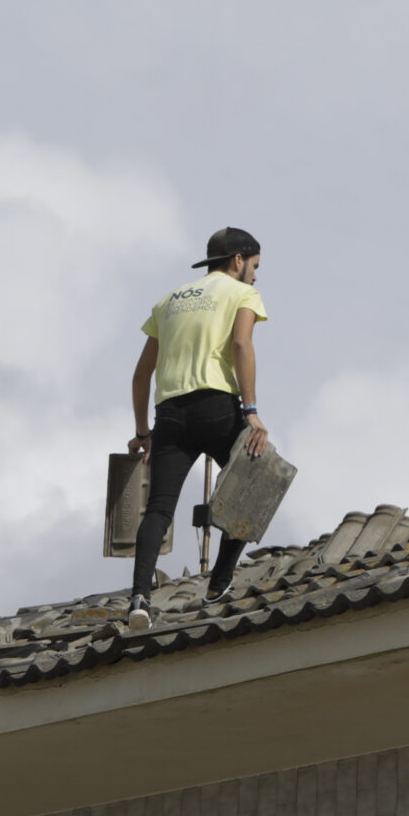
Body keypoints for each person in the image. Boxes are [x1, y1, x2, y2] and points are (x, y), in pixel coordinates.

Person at [125, 227, 271, 633]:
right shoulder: (243, 294)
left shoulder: (168, 302)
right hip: (217, 407)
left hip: (170, 414)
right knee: (254, 483)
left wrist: (143, 432)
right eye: (255, 265)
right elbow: (241, 346)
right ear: (238, 260)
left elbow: (141, 374)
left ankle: (139, 598)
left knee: (159, 509)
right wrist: (251, 411)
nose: (256, 275)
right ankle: (219, 584)